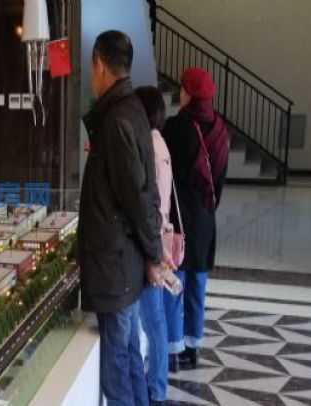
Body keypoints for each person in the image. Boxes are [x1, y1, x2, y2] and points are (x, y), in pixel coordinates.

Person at [79, 30, 172, 406]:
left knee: (117, 373)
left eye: (91, 67)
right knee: (131, 356)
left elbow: (137, 198)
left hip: (116, 266)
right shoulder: (132, 110)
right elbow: (144, 195)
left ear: (99, 66)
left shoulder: (117, 120)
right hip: (125, 265)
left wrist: (154, 254)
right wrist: (151, 252)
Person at [162, 67, 229, 371]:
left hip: (178, 220)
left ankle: (173, 350)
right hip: (204, 220)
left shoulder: (174, 128)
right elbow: (220, 179)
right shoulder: (220, 130)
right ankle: (194, 347)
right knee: (198, 285)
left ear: (189, 93)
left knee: (175, 284)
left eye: (182, 88)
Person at [135, 86, 174, 405]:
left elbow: (151, 204)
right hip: (157, 238)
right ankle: (156, 383)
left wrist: (152, 253)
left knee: (153, 319)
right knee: (154, 318)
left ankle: (156, 387)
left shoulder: (149, 146)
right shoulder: (159, 142)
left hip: (152, 242)